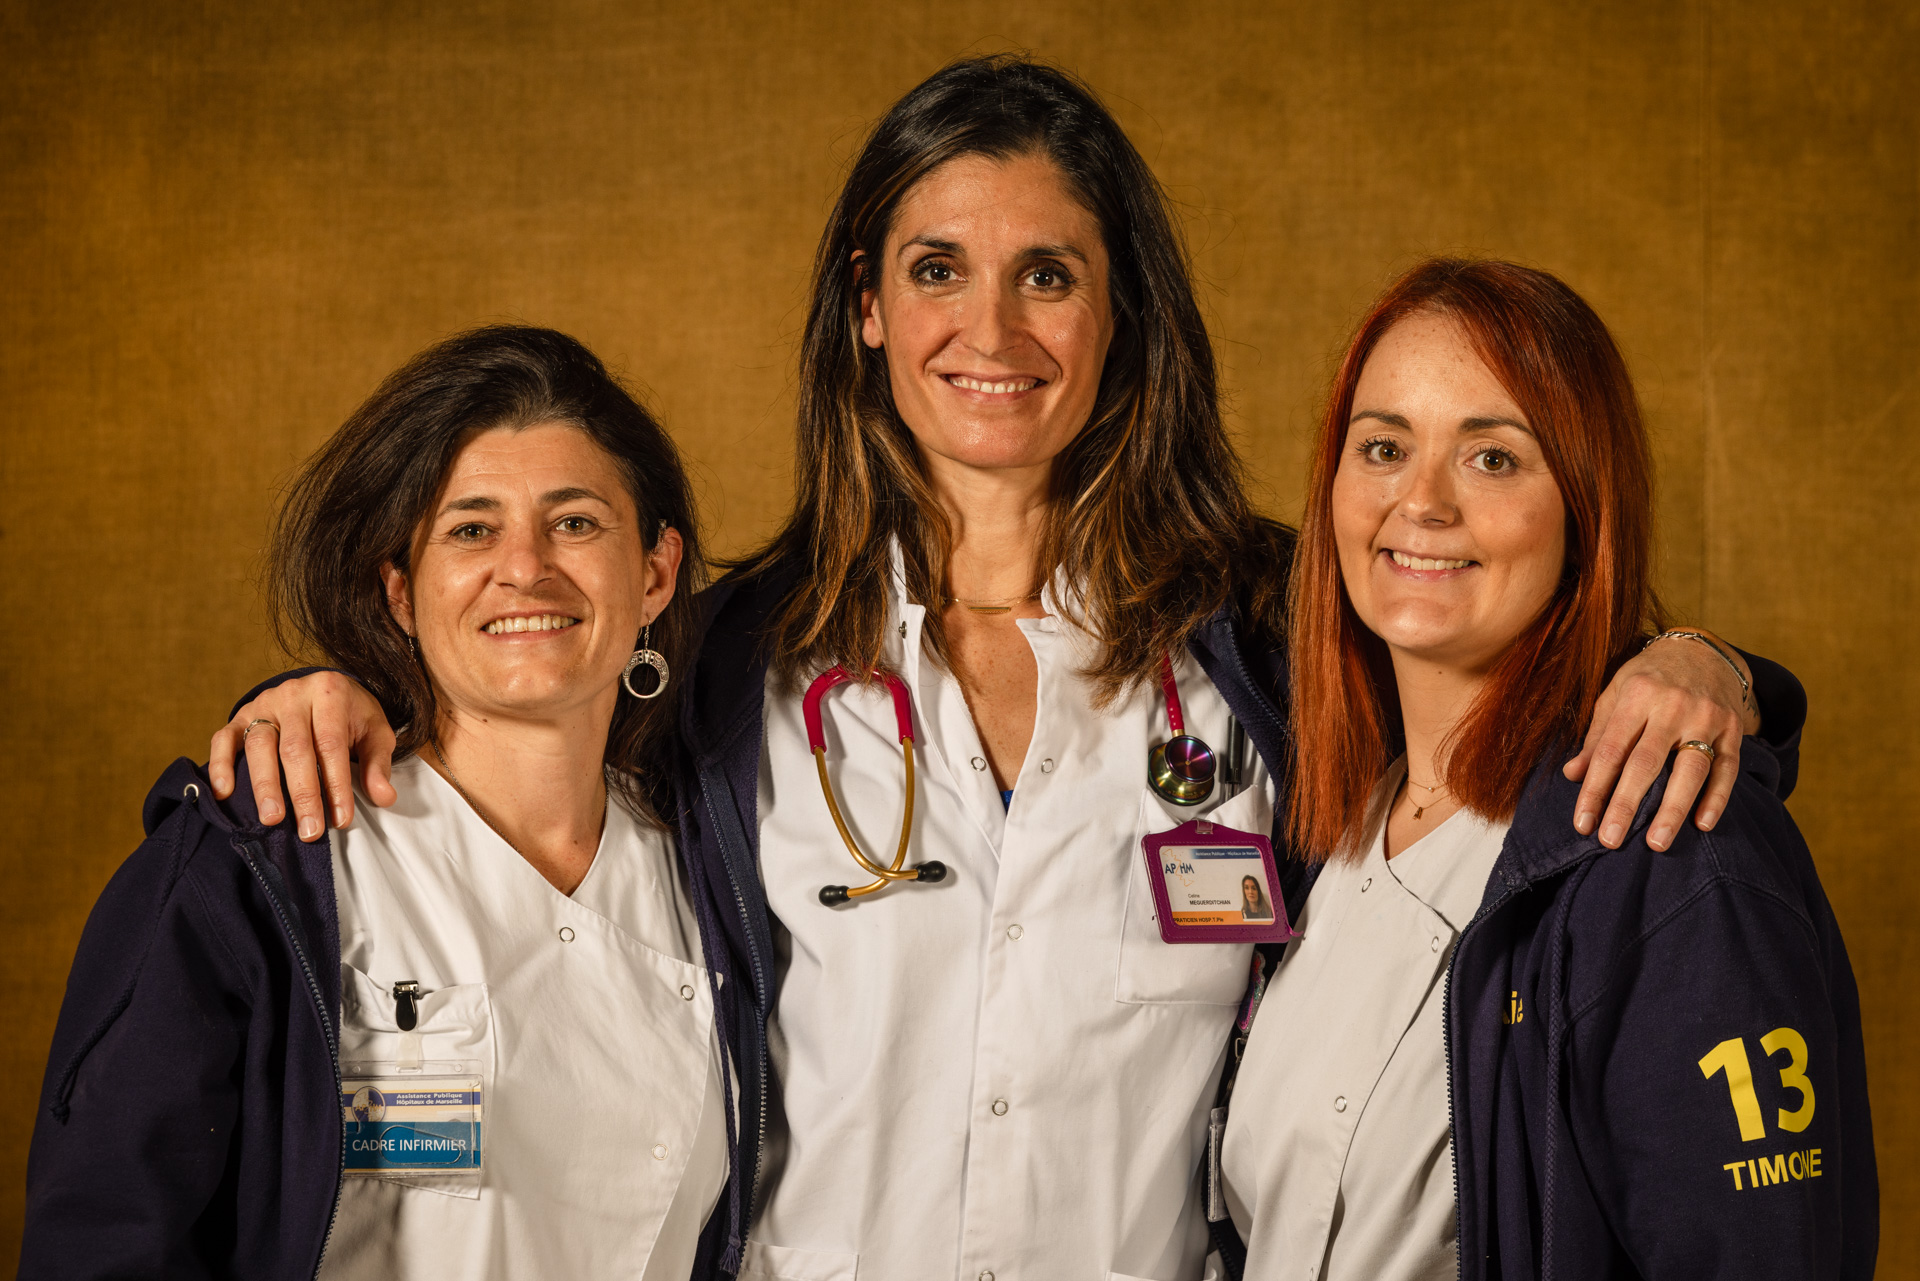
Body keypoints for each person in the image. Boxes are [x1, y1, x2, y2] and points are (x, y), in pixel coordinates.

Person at [207, 63, 1794, 1281]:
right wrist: (348, 695)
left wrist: (1714, 669)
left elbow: (1514, 667)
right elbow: (508, 714)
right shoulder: (727, 657)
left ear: (1118, 316)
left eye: (1048, 273)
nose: (993, 327)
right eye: (935, 269)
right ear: (866, 308)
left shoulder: (1265, 632)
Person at [24, 327, 731, 1280]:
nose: (526, 567)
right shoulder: (257, 867)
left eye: (574, 522)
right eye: (471, 529)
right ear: (401, 593)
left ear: (655, 574)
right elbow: (105, 1243)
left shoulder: (724, 868)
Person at [1217, 260, 1875, 1280]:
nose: (1421, 503)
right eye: (1384, 447)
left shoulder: (1673, 849)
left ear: (1583, 510)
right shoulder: (1322, 812)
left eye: (1493, 458)